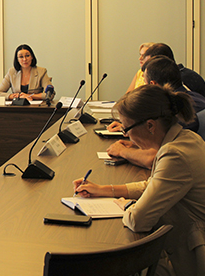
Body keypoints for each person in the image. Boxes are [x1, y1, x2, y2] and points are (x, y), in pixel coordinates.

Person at [74, 84, 205, 276]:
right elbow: (153, 185)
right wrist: (104, 189)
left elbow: (138, 220)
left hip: (188, 260)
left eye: (126, 129)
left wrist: (127, 206)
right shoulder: (186, 138)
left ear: (150, 125)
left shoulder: (174, 154)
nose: (126, 136)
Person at [107, 55, 205, 169]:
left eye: (144, 84)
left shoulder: (174, 111)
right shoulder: (186, 100)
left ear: (152, 85)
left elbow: (153, 158)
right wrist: (136, 143)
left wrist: (122, 151)